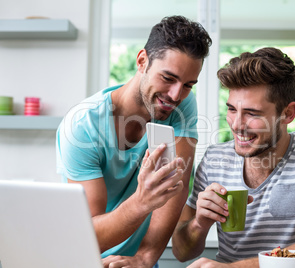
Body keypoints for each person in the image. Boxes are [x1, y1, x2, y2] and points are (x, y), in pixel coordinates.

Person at [172, 47, 295, 268]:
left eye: (252, 113)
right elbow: (181, 252)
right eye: (231, 109)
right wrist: (199, 223)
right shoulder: (215, 159)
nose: (236, 125)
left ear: (288, 113)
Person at [56, 15, 212, 267]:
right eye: (168, 78)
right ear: (142, 61)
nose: (176, 95)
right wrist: (142, 201)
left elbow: (176, 185)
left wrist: (146, 256)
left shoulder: (181, 104)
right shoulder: (82, 125)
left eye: (188, 85)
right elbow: (90, 233)